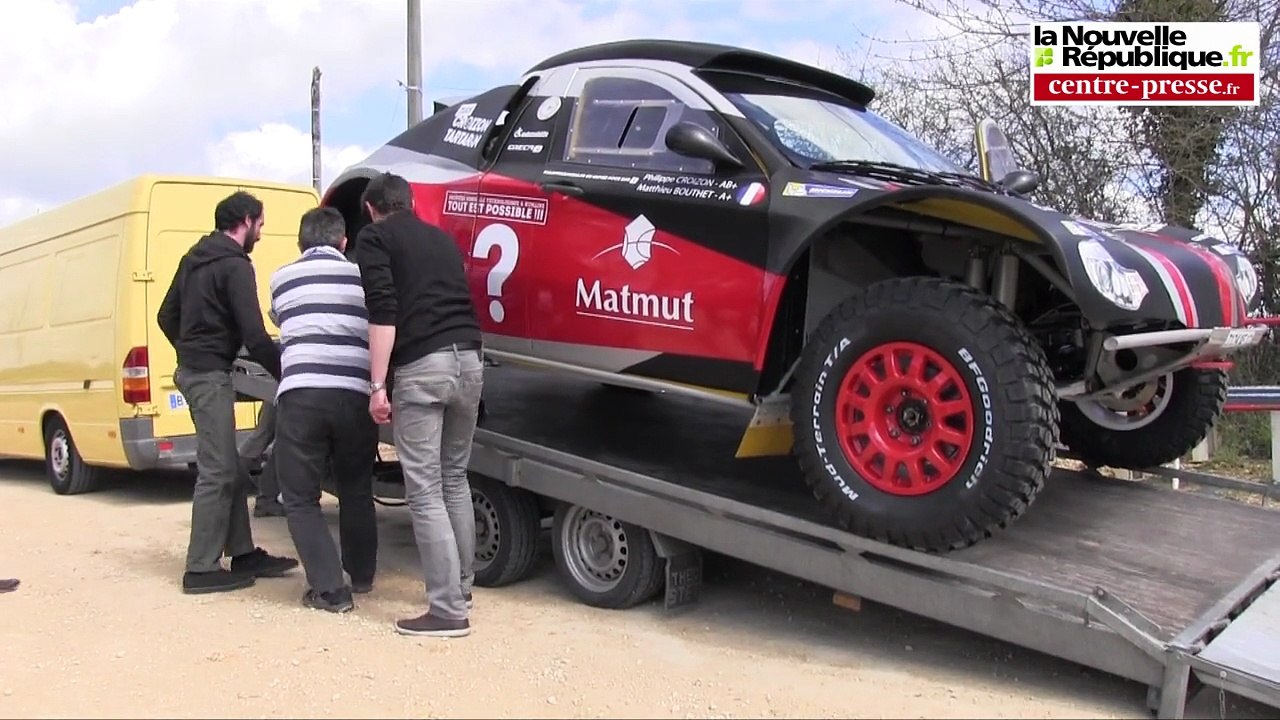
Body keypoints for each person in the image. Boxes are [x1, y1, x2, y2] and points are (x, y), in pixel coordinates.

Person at [356, 172, 483, 638]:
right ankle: (462, 588)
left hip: (423, 367)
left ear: (373, 209)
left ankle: (447, 609)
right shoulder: (441, 239)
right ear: (410, 202)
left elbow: (382, 312)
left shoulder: (375, 238)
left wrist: (376, 386)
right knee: (454, 479)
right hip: (469, 360)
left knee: (425, 489)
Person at [157, 190, 299, 595]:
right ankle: (200, 568)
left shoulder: (193, 259)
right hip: (208, 375)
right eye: (261, 225)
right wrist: (286, 375)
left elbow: (165, 316)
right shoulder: (236, 266)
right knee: (217, 471)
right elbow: (255, 335)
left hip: (197, 370)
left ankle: (242, 551)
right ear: (247, 221)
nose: (262, 233)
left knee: (230, 466)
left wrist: (191, 349)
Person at [269, 206, 380, 614]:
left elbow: (280, 320)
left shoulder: (281, 278)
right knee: (356, 489)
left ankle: (330, 590)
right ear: (343, 241)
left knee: (300, 497)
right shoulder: (363, 278)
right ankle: (363, 575)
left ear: (300, 243)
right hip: (354, 394)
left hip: (302, 396)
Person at [241, 401, 285, 517]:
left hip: (285, 391)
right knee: (262, 437)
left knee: (283, 443)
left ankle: (267, 499)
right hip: (282, 392)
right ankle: (229, 487)